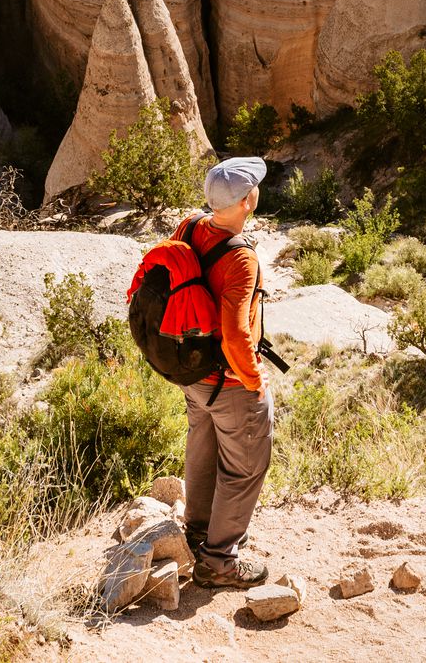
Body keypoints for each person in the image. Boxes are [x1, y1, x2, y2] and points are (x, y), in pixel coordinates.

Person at [178, 155, 273, 589]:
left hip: (192, 372)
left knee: (203, 448)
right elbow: (236, 334)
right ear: (248, 200)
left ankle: (199, 533)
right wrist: (253, 379)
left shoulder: (192, 225)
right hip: (230, 381)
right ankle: (218, 563)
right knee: (246, 465)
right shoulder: (241, 259)